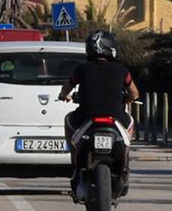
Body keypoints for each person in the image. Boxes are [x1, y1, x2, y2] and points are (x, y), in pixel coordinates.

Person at [58, 30, 140, 187]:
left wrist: (64, 96)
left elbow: (66, 88)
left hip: (86, 118)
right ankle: (125, 155)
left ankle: (74, 156)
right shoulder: (122, 70)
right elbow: (134, 93)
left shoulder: (82, 69)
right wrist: (126, 99)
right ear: (110, 48)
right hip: (115, 119)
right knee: (130, 121)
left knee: (68, 119)